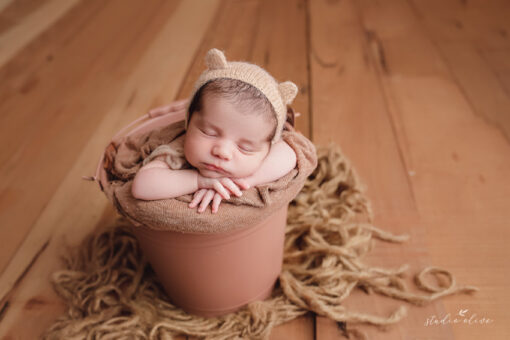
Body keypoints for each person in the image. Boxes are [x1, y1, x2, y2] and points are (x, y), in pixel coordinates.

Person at [131, 48, 299, 214]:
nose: (222, 152)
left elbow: (291, 153)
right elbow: (141, 186)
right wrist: (199, 181)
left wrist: (241, 182)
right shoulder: (177, 150)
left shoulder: (269, 153)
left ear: (269, 147)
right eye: (209, 133)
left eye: (245, 148)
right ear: (188, 121)